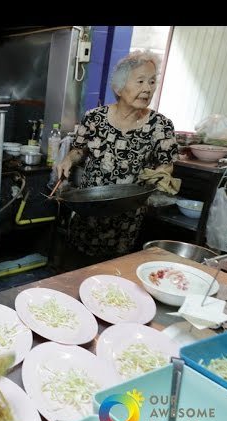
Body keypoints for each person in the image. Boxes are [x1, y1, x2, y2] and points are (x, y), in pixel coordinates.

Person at [55, 50, 179, 263]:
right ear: (119, 87)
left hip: (126, 217)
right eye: (140, 81)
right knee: (77, 265)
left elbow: (165, 164)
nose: (147, 88)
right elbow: (78, 149)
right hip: (89, 209)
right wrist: (68, 159)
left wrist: (161, 175)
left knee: (115, 269)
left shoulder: (161, 126)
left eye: (151, 81)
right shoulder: (94, 118)